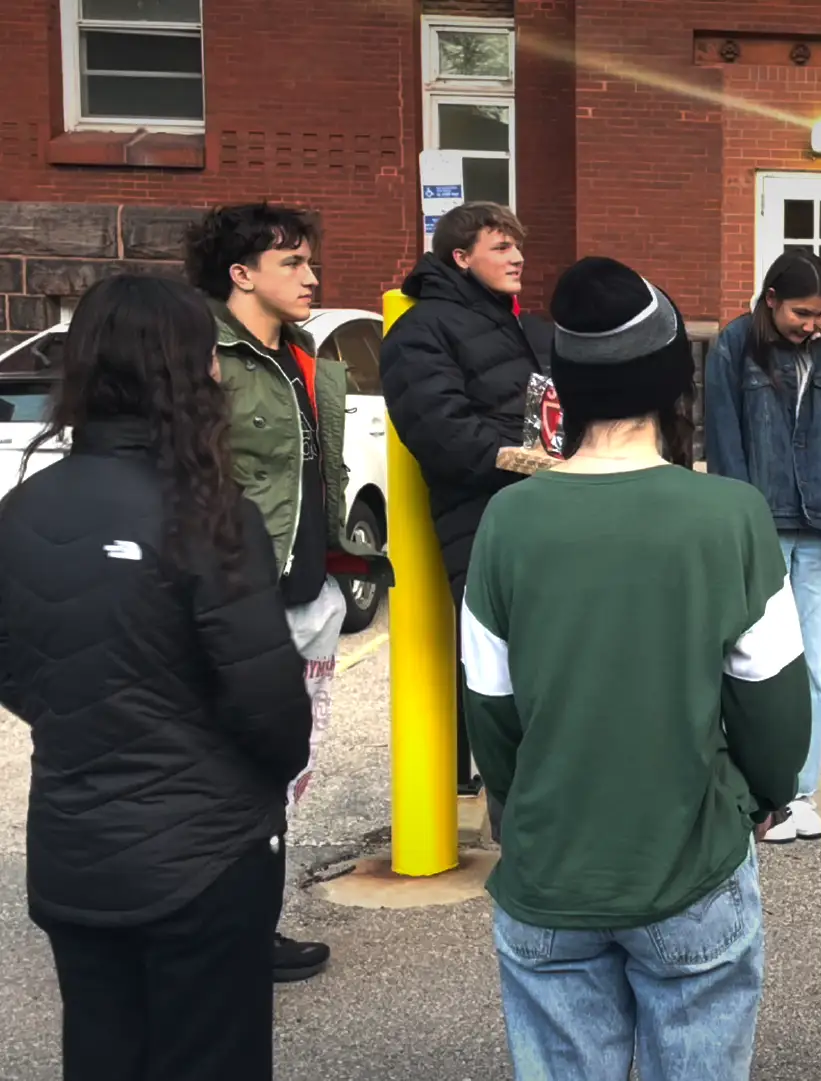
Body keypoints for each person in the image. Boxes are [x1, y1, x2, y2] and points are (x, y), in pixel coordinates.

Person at [462, 257, 811, 1081]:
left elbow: (490, 709)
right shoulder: (731, 516)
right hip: (689, 861)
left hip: (551, 868)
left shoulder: (507, 521)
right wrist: (756, 798)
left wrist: (528, 806)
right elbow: (773, 708)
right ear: (669, 384)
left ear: (568, 385)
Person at [0, 275, 313, 1079]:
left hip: (73, 845)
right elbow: (272, 708)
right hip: (207, 853)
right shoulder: (212, 514)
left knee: (102, 1052)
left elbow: (17, 669)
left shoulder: (23, 510)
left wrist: (91, 711)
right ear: (186, 370)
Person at [185, 202, 384, 984]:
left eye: (310, 261)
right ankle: (214, 930)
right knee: (227, 769)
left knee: (284, 770)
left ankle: (250, 925)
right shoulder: (204, 357)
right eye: (292, 263)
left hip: (307, 593)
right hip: (240, 597)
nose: (312, 276)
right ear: (241, 274)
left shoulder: (302, 354)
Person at [703, 249, 821, 844]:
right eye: (802, 312)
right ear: (771, 299)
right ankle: (761, 793)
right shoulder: (733, 347)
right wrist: (734, 523)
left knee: (816, 665)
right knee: (754, 663)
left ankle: (801, 790)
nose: (813, 324)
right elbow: (724, 443)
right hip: (761, 526)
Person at [381, 202, 549, 803]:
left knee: (550, 677)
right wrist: (531, 463)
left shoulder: (512, 324)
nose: (518, 257)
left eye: (518, 245)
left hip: (539, 516)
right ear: (460, 257)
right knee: (506, 682)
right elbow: (443, 434)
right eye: (501, 247)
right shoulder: (421, 330)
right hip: (482, 526)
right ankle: (521, 828)